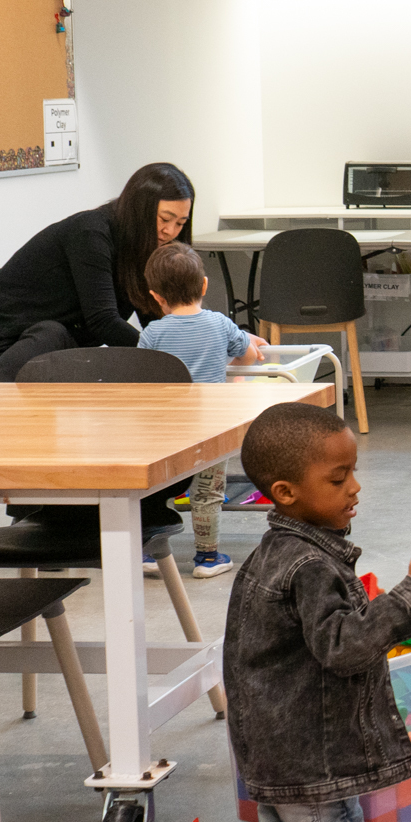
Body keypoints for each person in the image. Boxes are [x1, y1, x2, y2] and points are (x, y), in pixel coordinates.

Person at [129, 403, 411, 822]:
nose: (355, 487)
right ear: (285, 492)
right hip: (312, 759)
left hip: (271, 746)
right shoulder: (309, 567)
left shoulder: (273, 554)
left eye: (353, 471)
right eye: (338, 478)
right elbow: (347, 648)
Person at [0, 163, 249, 381]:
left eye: (181, 223)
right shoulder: (91, 234)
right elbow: (103, 322)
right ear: (141, 211)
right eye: (165, 218)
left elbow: (163, 316)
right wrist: (167, 355)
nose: (170, 231)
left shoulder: (143, 247)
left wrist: (232, 339)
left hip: (38, 352)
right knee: (56, 335)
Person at [138, 242, 265, 578]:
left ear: (157, 297)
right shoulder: (219, 324)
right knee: (207, 492)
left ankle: (150, 553)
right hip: (211, 428)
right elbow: (249, 355)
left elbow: (142, 374)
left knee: (157, 490)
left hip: (166, 429)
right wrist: (240, 353)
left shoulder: (153, 332)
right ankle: (207, 558)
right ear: (204, 286)